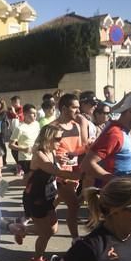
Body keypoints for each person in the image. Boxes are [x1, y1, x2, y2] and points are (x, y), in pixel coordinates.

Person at [19, 125, 81, 261]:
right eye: (58, 139)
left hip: (46, 196)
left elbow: (56, 175)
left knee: (51, 229)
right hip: (35, 198)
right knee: (47, 231)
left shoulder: (51, 152)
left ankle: (22, 230)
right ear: (48, 138)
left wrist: (67, 181)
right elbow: (57, 171)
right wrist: (84, 175)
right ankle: (36, 259)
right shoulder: (40, 155)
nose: (60, 142)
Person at [81, 92, 131, 184]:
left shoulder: (123, 130)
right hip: (114, 194)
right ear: (130, 111)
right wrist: (118, 182)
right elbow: (87, 165)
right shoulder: (115, 134)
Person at [51, 94, 86, 242]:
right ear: (64, 108)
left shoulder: (76, 126)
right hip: (59, 173)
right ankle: (75, 238)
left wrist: (77, 152)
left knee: (62, 198)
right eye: (75, 107)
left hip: (74, 173)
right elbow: (41, 150)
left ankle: (35, 215)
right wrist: (55, 157)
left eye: (78, 107)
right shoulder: (52, 127)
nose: (78, 111)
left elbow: (80, 148)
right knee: (74, 204)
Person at [8, 103, 40, 180]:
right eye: (32, 113)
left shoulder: (36, 124)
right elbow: (10, 145)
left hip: (37, 155)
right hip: (26, 158)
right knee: (30, 179)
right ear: (25, 114)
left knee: (32, 179)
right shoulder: (20, 128)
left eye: (35, 113)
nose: (35, 115)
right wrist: (24, 149)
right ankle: (5, 185)